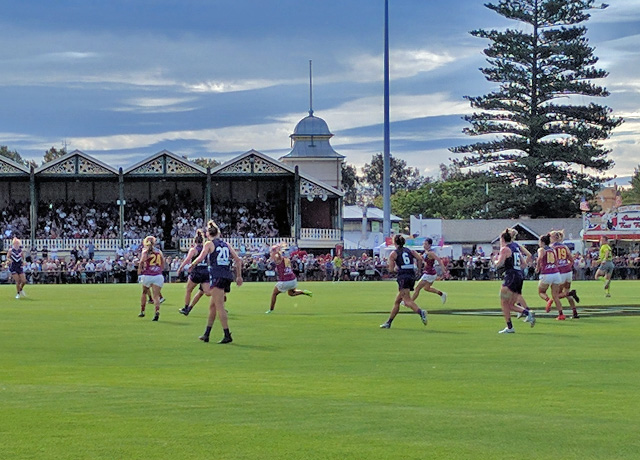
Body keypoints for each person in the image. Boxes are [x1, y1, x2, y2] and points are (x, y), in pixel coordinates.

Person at [189, 220, 242, 344]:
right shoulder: (226, 244)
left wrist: (192, 264)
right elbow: (238, 260)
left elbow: (201, 257)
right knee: (212, 307)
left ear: (208, 234)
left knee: (219, 308)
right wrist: (239, 276)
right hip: (227, 275)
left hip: (216, 275)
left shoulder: (209, 244)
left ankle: (227, 334)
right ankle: (206, 334)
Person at [380, 234, 428, 329]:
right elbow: (419, 258)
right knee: (397, 301)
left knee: (407, 300)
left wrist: (396, 269)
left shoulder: (394, 253)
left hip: (403, 277)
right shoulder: (410, 251)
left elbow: (391, 269)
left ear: (395, 243)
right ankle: (388, 322)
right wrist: (418, 270)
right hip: (411, 275)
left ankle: (420, 312)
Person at [495, 229, 535, 333]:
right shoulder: (515, 247)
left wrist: (494, 261)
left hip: (511, 276)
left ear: (503, 239)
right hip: (519, 276)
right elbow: (524, 264)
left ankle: (510, 327)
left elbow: (499, 263)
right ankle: (527, 313)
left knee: (504, 302)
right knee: (511, 304)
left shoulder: (505, 249)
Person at [266, 244, 312, 313]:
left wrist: (276, 249)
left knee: (274, 294)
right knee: (291, 293)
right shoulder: (286, 259)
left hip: (285, 281)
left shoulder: (278, 258)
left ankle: (271, 309)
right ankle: (303, 292)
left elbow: (275, 257)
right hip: (293, 279)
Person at [176, 229, 210, 316]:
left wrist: (180, 268)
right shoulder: (205, 249)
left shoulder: (193, 250)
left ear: (195, 241)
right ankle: (219, 295)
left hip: (197, 272)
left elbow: (187, 259)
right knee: (205, 292)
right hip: (205, 271)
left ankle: (186, 307)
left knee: (188, 290)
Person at [550, 230, 580, 319]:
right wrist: (567, 267)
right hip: (568, 271)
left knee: (556, 295)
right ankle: (575, 312)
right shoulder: (565, 247)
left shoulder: (552, 247)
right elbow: (572, 260)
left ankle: (561, 314)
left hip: (560, 273)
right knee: (566, 291)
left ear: (553, 238)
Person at [411, 238, 448, 305]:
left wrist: (443, 269)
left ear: (430, 245)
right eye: (424, 244)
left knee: (417, 288)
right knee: (426, 288)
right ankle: (442, 294)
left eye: (426, 244)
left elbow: (439, 260)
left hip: (429, 273)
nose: (424, 245)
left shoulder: (431, 253)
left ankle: (409, 302)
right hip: (430, 273)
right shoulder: (426, 253)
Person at [536, 233, 564, 320]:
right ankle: (561, 314)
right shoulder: (552, 250)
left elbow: (540, 258)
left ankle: (548, 301)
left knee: (541, 292)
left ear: (542, 242)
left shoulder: (541, 249)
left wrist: (537, 267)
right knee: (555, 296)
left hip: (546, 273)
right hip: (556, 273)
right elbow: (556, 261)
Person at [137, 236, 165, 321]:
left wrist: (139, 271)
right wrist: (160, 270)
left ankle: (142, 311)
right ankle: (156, 312)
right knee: (156, 295)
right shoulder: (159, 251)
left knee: (144, 292)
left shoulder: (145, 251)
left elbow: (142, 261)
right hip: (158, 275)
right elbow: (163, 262)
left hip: (148, 274)